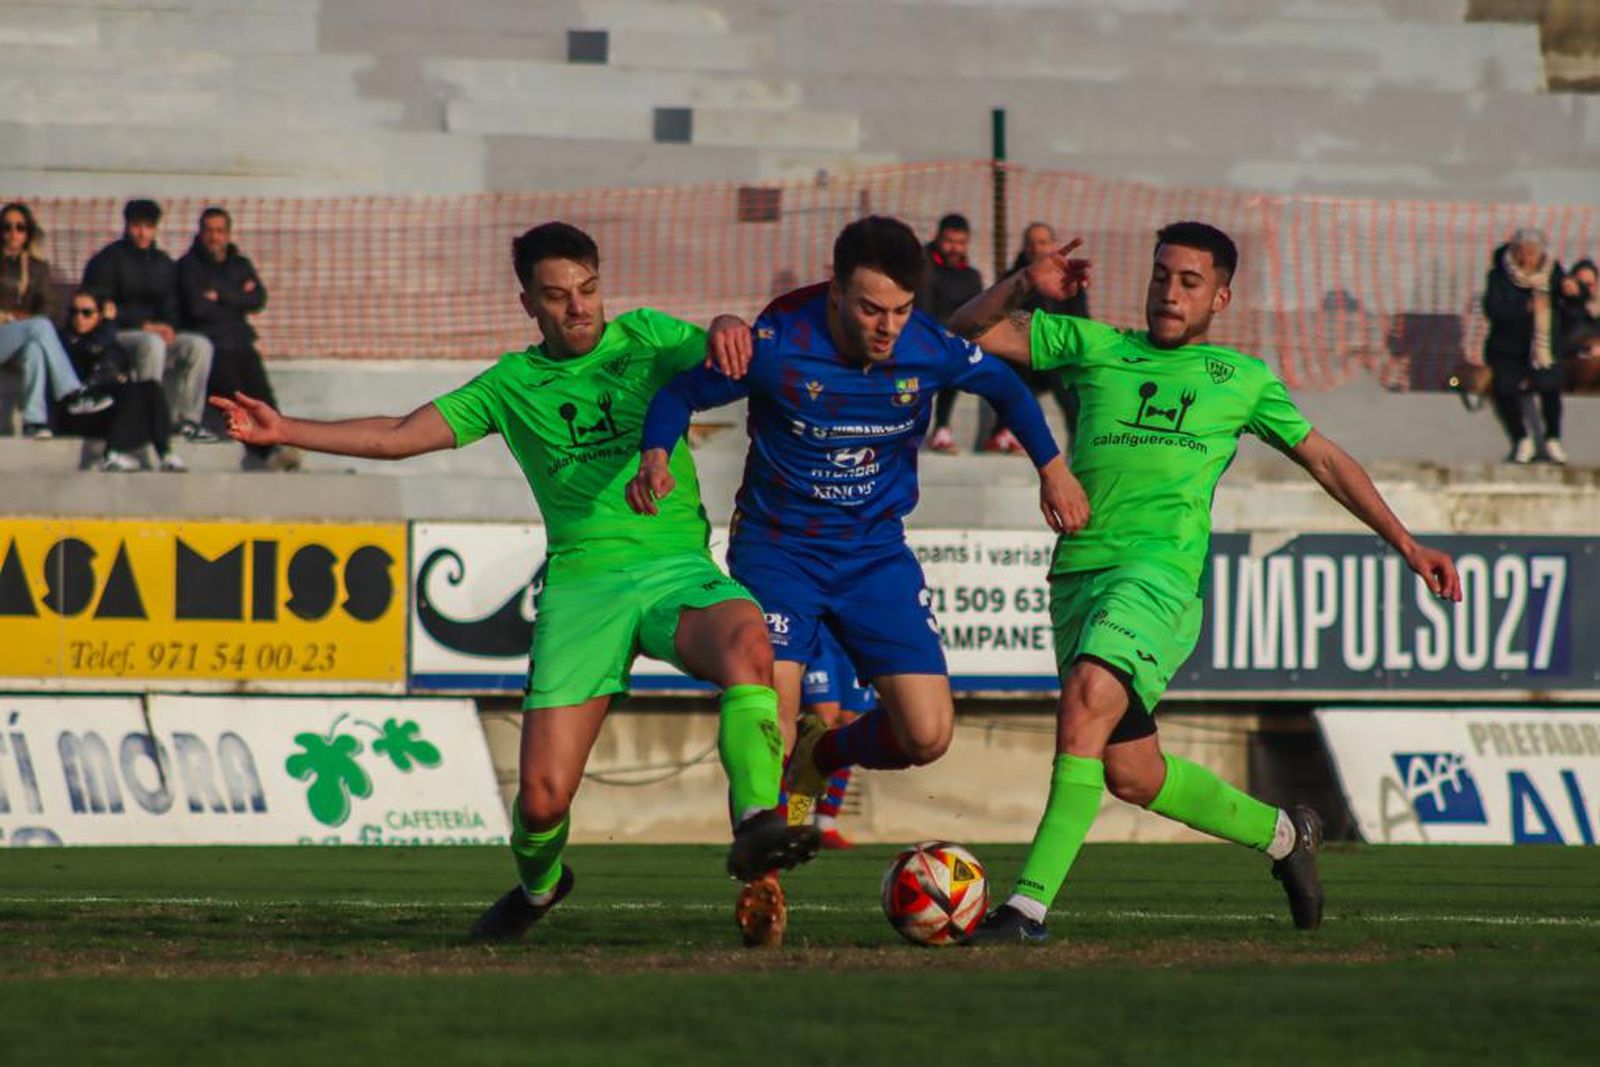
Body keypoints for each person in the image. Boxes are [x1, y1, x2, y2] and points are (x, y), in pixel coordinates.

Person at [210, 221, 817, 947]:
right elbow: (399, 433)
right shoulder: (511, 384)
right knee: (539, 799)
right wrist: (287, 431)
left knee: (750, 642)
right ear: (528, 302)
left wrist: (725, 324)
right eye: (557, 296)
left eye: (588, 289)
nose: (578, 308)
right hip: (582, 587)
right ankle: (540, 884)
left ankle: (757, 825)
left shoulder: (651, 337)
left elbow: (735, 359)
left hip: (677, 571)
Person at [945, 221, 1462, 943]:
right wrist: (1027, 282)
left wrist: (1407, 543)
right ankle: (1286, 836)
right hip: (1077, 576)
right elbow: (960, 330)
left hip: (1159, 577)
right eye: (1162, 275)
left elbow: (1326, 460)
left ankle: (1026, 910)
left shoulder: (1240, 379)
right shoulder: (1097, 346)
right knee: (1131, 770)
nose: (1170, 291)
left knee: (1088, 699)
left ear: (1220, 296)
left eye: (1190, 281)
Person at [628, 215, 1086, 911]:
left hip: (875, 555)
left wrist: (1052, 468)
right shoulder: (781, 341)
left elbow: (1006, 387)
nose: (887, 327)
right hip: (780, 550)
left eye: (900, 310)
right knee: (769, 718)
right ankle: (762, 882)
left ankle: (827, 753)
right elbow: (680, 393)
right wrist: (656, 453)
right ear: (837, 291)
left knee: (927, 734)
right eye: (871, 308)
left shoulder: (927, 345)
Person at [83, 198, 217, 442]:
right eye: (137, 226)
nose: (142, 233)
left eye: (148, 227)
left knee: (199, 346)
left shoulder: (163, 264)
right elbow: (101, 307)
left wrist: (169, 327)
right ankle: (146, 418)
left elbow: (172, 305)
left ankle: (188, 421)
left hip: (155, 332)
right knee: (150, 343)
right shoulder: (108, 260)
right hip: (118, 334)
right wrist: (143, 324)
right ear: (127, 226)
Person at [177, 207, 299, 472]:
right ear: (200, 233)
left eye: (220, 231)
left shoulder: (239, 263)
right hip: (213, 344)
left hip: (241, 341)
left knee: (263, 394)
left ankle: (280, 442)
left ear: (228, 234)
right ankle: (265, 452)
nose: (214, 237)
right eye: (209, 231)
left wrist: (219, 294)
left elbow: (257, 299)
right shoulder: (189, 266)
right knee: (237, 397)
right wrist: (236, 297)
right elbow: (196, 307)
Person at [0, 202, 109, 437]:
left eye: (20, 228)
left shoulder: (37, 267)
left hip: (23, 335)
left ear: (28, 232)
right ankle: (71, 391)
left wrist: (21, 319)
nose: (13, 234)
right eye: (6, 227)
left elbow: (50, 309)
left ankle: (34, 420)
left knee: (35, 349)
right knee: (39, 327)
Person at [56, 289, 185, 472]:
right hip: (78, 411)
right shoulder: (65, 340)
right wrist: (108, 323)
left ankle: (166, 454)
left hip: (106, 409)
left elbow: (112, 364)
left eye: (86, 313)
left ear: (98, 316)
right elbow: (92, 349)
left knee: (151, 388)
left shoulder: (109, 344)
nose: (79, 318)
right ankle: (113, 453)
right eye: (74, 312)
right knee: (131, 393)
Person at [996, 222, 1088, 447]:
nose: (1036, 248)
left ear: (1053, 245)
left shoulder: (1069, 279)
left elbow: (1081, 320)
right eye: (1030, 243)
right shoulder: (1012, 279)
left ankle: (1078, 441)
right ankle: (1002, 432)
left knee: (1066, 379)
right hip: (1022, 358)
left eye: (1042, 242)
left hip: (1056, 357)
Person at [1482, 228, 1569, 465]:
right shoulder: (1499, 276)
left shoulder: (1553, 274)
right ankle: (1521, 440)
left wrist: (1575, 291)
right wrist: (1524, 309)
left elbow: (1571, 303)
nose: (1528, 259)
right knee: (1505, 388)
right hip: (1507, 348)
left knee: (1550, 387)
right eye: (1524, 252)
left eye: (1533, 253)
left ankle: (1553, 439)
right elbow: (1493, 309)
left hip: (1543, 349)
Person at [798, 627, 880, 850]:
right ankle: (791, 819)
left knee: (847, 722)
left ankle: (825, 824)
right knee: (824, 720)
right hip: (817, 634)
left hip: (852, 632)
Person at [916, 213, 985, 454]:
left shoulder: (971, 277)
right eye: (949, 241)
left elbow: (976, 313)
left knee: (959, 356)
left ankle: (942, 429)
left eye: (960, 242)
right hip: (921, 338)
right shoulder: (923, 267)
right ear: (938, 237)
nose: (954, 248)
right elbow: (923, 308)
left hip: (953, 343)